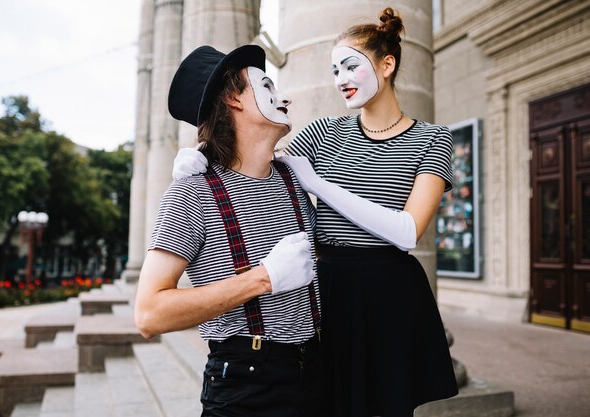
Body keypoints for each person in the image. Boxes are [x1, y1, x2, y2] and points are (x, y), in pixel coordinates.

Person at [172, 8, 459, 417]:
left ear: (387, 64)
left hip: (389, 291)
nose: (340, 79)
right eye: (334, 70)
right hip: (329, 289)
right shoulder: (324, 132)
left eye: (349, 66)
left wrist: (321, 185)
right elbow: (252, 154)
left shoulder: (434, 139)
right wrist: (195, 154)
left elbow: (408, 231)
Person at [134, 44, 323, 417]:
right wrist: (263, 279)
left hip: (319, 374)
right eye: (267, 88)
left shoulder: (294, 178)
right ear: (233, 99)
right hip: (246, 388)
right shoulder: (191, 193)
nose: (284, 96)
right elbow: (149, 314)